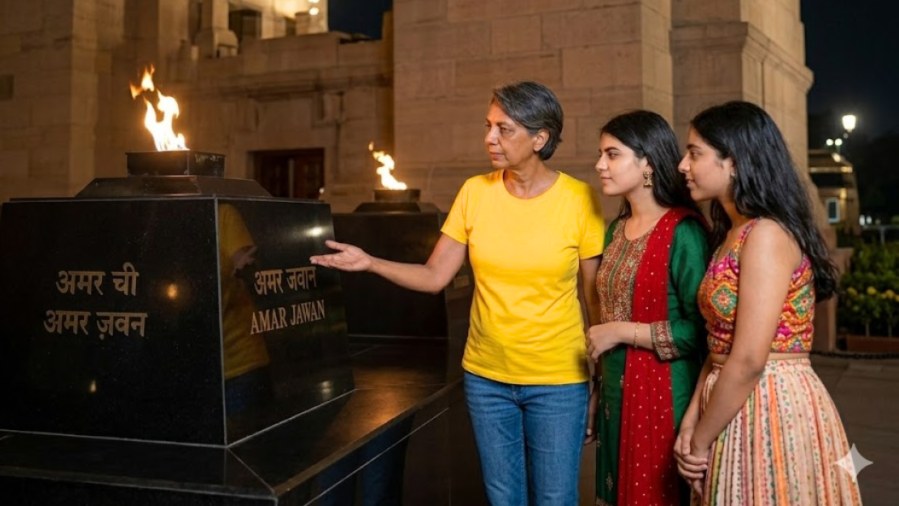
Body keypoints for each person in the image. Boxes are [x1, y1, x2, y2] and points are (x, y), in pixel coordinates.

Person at [311, 81, 604, 506]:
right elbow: (434, 276)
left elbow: (593, 301)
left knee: (556, 498)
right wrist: (370, 262)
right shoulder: (474, 192)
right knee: (503, 498)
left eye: (504, 129)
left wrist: (600, 380)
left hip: (557, 380)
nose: (489, 138)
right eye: (488, 126)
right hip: (487, 379)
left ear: (540, 138)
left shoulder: (579, 199)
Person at [673, 101, 862, 505]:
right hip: (729, 398)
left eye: (694, 153)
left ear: (735, 162)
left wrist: (701, 441)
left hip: (768, 404)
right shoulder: (733, 231)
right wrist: (691, 422)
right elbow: (719, 342)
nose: (682, 166)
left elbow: (748, 360)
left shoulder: (766, 235)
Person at [587, 110, 709, 506]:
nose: (600, 165)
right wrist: (596, 390)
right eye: (601, 154)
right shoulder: (615, 230)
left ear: (648, 164)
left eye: (612, 154)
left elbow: (701, 330)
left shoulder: (684, 232)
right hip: (615, 394)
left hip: (665, 397)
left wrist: (622, 331)